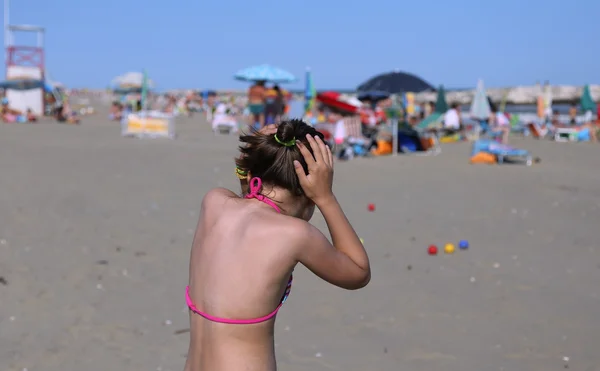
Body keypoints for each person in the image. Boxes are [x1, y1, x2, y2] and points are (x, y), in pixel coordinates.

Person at [184, 120, 371, 371]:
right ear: (309, 195)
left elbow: (249, 198)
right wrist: (327, 198)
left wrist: (253, 157)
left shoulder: (214, 203)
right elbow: (358, 272)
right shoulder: (295, 234)